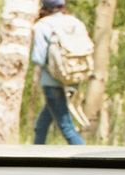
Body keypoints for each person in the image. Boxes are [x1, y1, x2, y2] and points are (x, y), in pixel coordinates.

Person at [28, 0, 87, 145]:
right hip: (73, 77)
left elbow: (38, 58)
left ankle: (89, 158)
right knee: (41, 126)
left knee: (67, 127)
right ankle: (36, 155)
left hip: (52, 82)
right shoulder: (76, 23)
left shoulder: (42, 26)